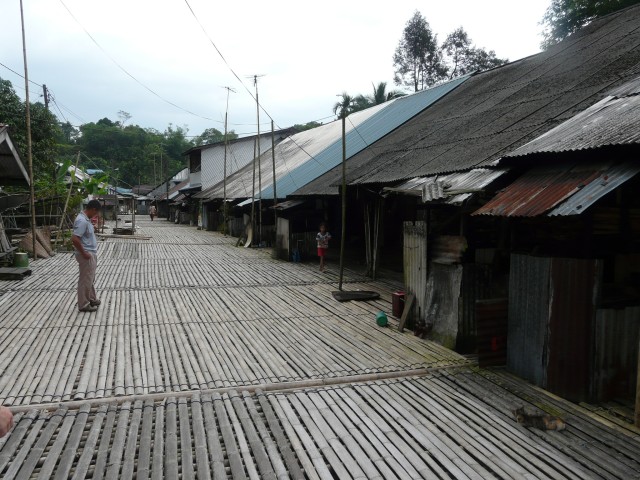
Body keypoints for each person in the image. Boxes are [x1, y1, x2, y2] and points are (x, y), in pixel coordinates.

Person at [72, 199, 102, 312]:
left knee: (90, 278)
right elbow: (75, 239)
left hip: (90, 253)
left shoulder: (86, 219)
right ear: (93, 209)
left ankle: (91, 298)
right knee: (85, 279)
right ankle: (83, 304)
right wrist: (84, 253)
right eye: (96, 212)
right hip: (86, 253)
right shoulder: (82, 221)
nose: (96, 215)